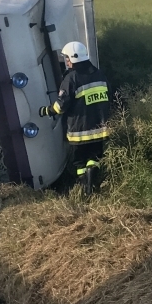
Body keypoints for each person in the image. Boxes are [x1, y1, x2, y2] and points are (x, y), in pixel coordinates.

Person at [40, 41, 110, 193]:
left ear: (73, 58)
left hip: (79, 131)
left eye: (67, 58)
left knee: (78, 163)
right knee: (94, 158)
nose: (66, 61)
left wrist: (46, 111)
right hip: (100, 129)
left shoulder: (71, 78)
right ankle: (92, 185)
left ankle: (84, 188)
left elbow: (61, 106)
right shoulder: (99, 74)